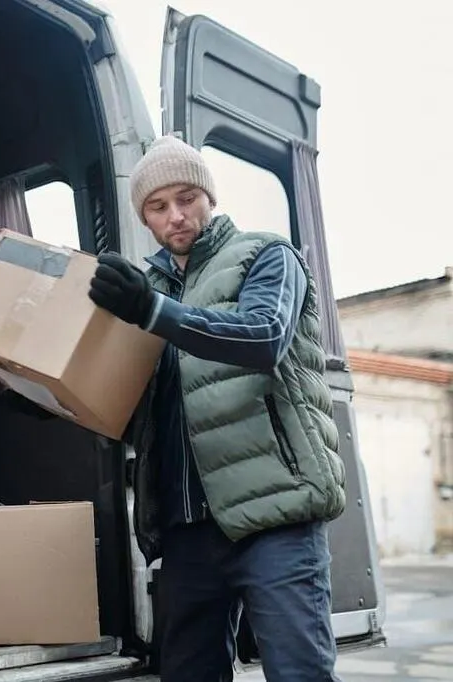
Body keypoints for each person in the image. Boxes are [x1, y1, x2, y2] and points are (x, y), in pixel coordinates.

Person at [88, 135, 346, 681]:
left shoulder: (267, 255)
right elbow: (137, 404)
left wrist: (152, 309)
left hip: (275, 516)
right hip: (187, 531)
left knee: (299, 673)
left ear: (210, 197)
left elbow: (263, 337)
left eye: (187, 198)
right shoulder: (148, 287)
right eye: (158, 207)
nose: (175, 216)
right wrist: (59, 396)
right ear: (144, 218)